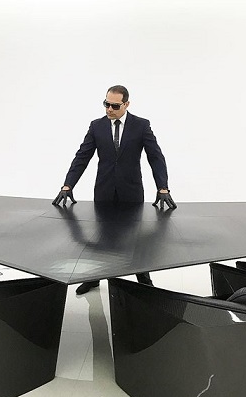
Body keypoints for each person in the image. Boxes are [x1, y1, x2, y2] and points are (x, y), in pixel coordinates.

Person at [52, 84, 176, 294]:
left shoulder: (141, 125)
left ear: (126, 104)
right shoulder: (96, 126)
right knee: (100, 236)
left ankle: (144, 279)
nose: (109, 109)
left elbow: (155, 157)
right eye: (106, 104)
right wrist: (68, 184)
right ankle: (94, 278)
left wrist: (162, 187)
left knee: (136, 236)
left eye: (115, 106)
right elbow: (82, 156)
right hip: (104, 190)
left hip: (132, 190)